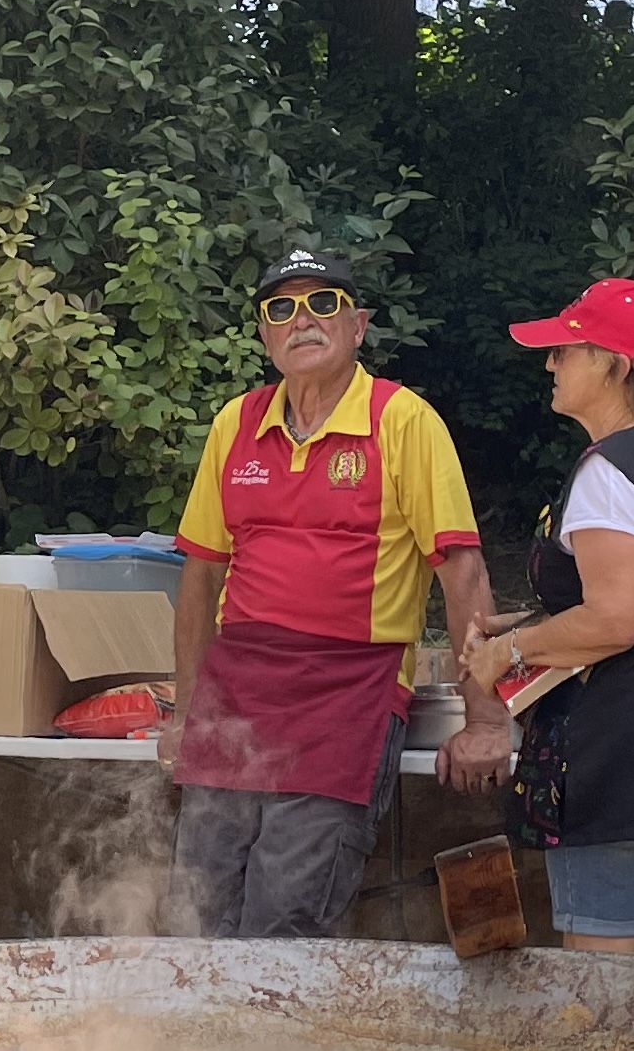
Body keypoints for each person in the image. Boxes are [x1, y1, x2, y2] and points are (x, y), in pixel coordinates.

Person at [162, 250, 514, 938]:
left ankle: (277, 1050)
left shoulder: (403, 421)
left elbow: (464, 578)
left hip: (347, 694)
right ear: (264, 336)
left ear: (358, 326)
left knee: (287, 921)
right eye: (281, 309)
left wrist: (486, 721)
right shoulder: (236, 422)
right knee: (195, 915)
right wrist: (184, 712)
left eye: (323, 304)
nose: (303, 321)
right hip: (233, 699)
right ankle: (198, 1050)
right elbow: (200, 577)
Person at [459, 281, 634, 955]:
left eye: (566, 350)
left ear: (616, 364)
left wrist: (513, 651)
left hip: (620, 756)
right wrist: (526, 624)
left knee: (600, 994)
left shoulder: (611, 470)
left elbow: (615, 620)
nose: (550, 364)